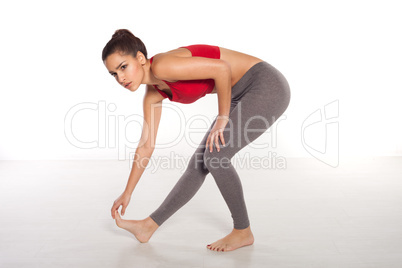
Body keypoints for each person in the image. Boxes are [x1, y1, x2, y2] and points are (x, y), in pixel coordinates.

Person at [102, 29, 291, 252]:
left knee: (216, 156)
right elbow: (145, 146)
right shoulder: (153, 94)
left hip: (264, 84)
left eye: (123, 67)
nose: (120, 78)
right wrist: (128, 192)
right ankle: (147, 227)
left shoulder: (163, 65)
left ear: (140, 58)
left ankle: (243, 231)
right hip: (237, 93)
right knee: (199, 164)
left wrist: (222, 118)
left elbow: (222, 69)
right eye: (114, 74)